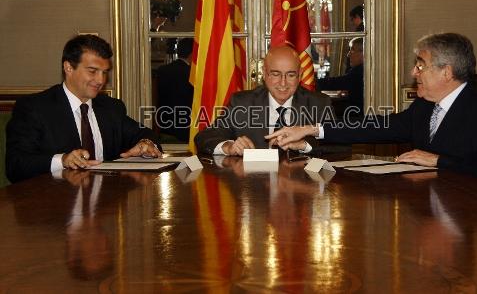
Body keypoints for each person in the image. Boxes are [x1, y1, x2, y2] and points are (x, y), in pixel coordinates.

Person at [267, 33, 477, 189]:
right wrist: (311, 129)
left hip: (471, 218)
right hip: (427, 205)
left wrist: (438, 161)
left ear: (446, 72)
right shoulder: (425, 107)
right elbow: (373, 126)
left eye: (420, 66)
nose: (413, 73)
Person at [6, 35, 161, 183]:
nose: (101, 80)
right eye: (92, 71)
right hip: (53, 203)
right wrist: (63, 160)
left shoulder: (111, 108)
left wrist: (146, 143)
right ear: (68, 68)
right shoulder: (34, 108)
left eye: (105, 72)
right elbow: (16, 165)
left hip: (106, 204)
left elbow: (144, 133)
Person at [194, 45, 335, 156]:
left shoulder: (320, 104)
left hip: (301, 187)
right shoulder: (242, 103)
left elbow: (340, 147)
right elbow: (204, 137)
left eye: (291, 75)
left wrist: (305, 145)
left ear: (300, 75)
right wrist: (229, 147)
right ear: (264, 73)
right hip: (253, 187)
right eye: (275, 74)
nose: (283, 83)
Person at [155, 37, 194, 142]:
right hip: (187, 126)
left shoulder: (162, 70)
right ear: (192, 54)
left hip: (165, 124)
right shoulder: (193, 74)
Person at [317, 37, 364, 113]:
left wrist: (313, 83)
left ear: (363, 53)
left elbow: (336, 83)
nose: (348, 55)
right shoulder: (362, 70)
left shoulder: (360, 71)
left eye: (352, 50)